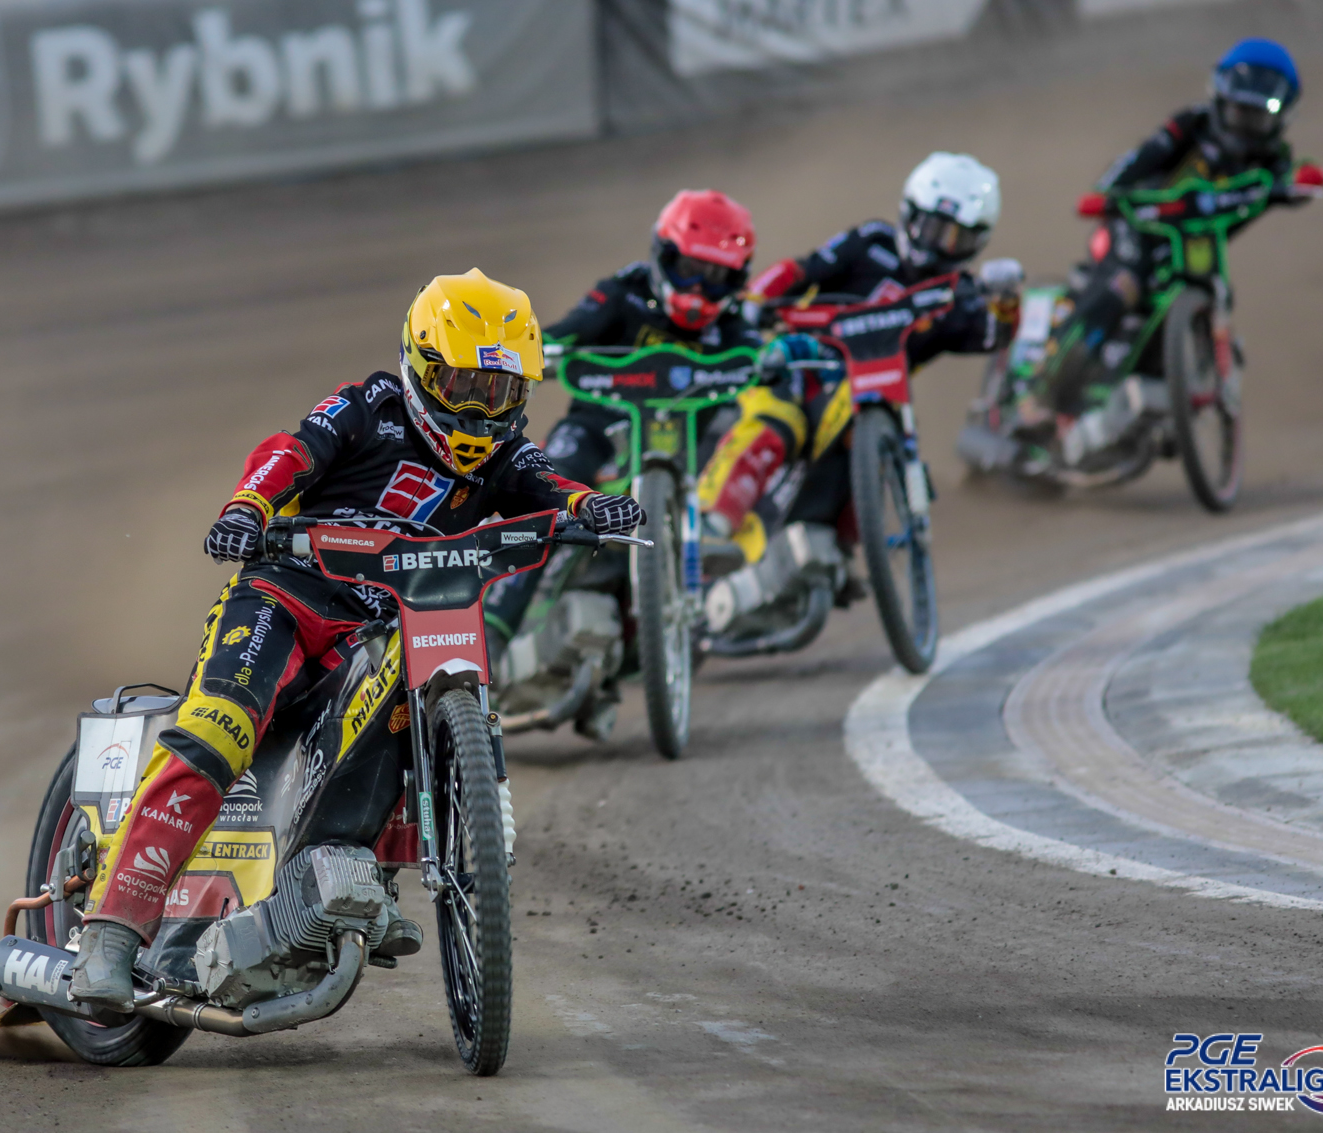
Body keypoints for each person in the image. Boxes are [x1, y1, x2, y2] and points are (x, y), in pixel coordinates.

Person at [67, 269, 644, 1010]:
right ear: (421, 367)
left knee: (403, 698)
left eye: (499, 392)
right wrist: (248, 506)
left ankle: (340, 879)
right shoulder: (369, 404)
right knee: (218, 727)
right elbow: (293, 451)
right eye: (464, 386)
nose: (480, 410)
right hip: (286, 597)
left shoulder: (507, 455)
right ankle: (109, 935)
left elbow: (552, 486)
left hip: (378, 627)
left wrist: (594, 508)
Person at [480, 190, 761, 654]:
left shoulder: (734, 323)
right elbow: (567, 330)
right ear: (663, 255)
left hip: (687, 448)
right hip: (595, 432)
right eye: (689, 269)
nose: (698, 290)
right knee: (544, 485)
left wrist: (782, 359)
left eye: (716, 278)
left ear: (738, 279)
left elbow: (762, 355)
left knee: (749, 437)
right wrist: (534, 352)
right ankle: (491, 629)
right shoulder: (622, 292)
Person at [699, 152, 1020, 556]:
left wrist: (1006, 300)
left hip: (873, 403)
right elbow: (801, 271)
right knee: (777, 419)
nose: (943, 246)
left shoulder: (958, 295)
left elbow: (993, 336)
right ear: (910, 213)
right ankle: (712, 521)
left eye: (959, 238)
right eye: (935, 229)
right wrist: (754, 301)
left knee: (870, 451)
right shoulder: (871, 241)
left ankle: (835, 551)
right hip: (805, 364)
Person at [1019, 37, 1323, 435]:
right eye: (1238, 112)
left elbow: (1293, 180)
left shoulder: (1272, 160)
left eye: (1258, 118)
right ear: (1219, 101)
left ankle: (1163, 385)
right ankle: (1039, 392)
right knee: (1121, 288)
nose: (1245, 126)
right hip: (1137, 229)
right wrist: (1106, 193)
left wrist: (1304, 181)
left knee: (1206, 297)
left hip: (1193, 249)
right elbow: (1139, 159)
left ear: (1282, 119)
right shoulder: (1190, 126)